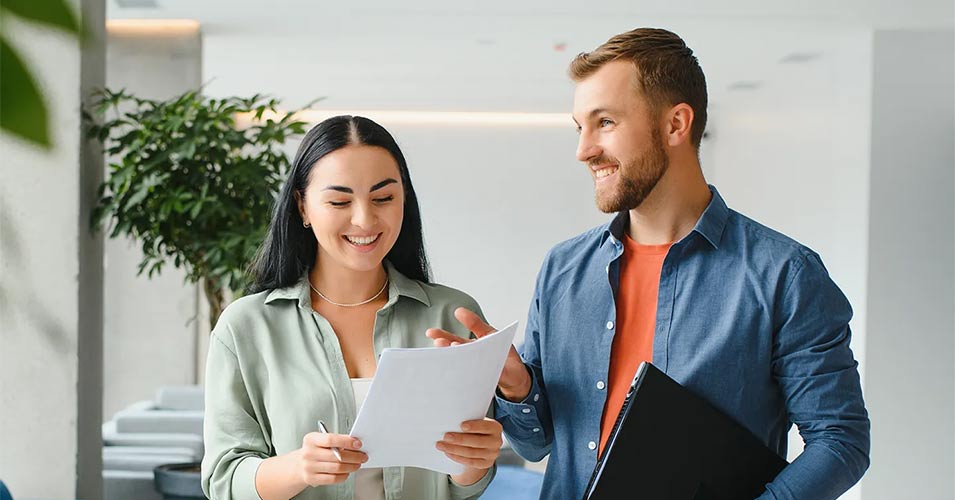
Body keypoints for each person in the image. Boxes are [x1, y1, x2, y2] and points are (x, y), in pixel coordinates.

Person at [427, 28, 870, 499]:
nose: (584, 150)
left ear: (676, 125)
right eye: (581, 127)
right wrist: (518, 390)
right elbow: (536, 443)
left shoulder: (784, 274)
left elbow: (840, 440)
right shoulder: (563, 269)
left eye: (606, 123)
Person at [201, 115, 501, 500]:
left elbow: (463, 486)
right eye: (340, 200)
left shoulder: (451, 314)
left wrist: (474, 460)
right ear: (303, 207)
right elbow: (223, 480)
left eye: (383, 198)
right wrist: (299, 467)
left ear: (404, 201)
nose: (364, 218)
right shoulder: (246, 326)